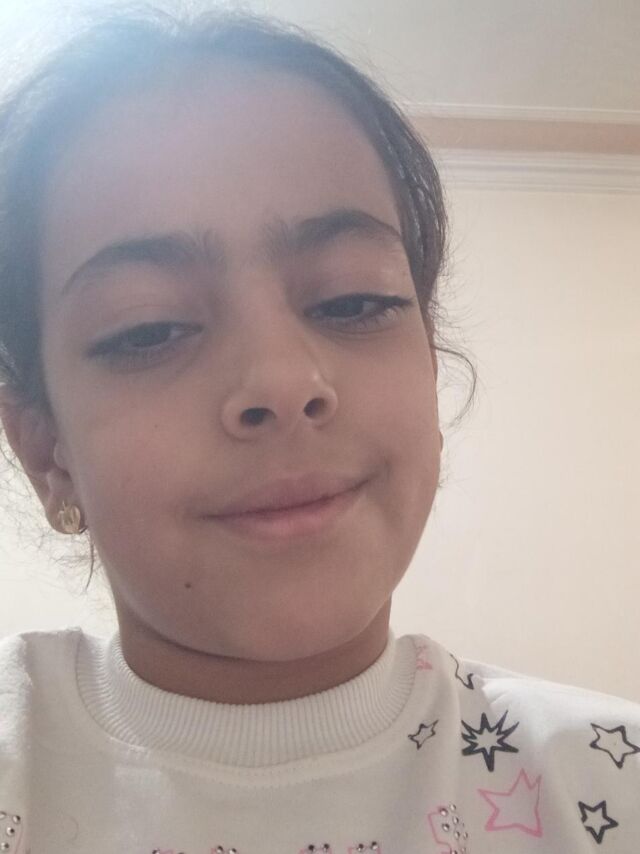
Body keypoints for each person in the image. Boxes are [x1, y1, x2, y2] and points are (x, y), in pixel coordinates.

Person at [0, 5, 638, 853]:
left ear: (429, 372)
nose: (283, 381)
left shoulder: (610, 779)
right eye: (149, 328)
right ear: (46, 451)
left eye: (352, 301)